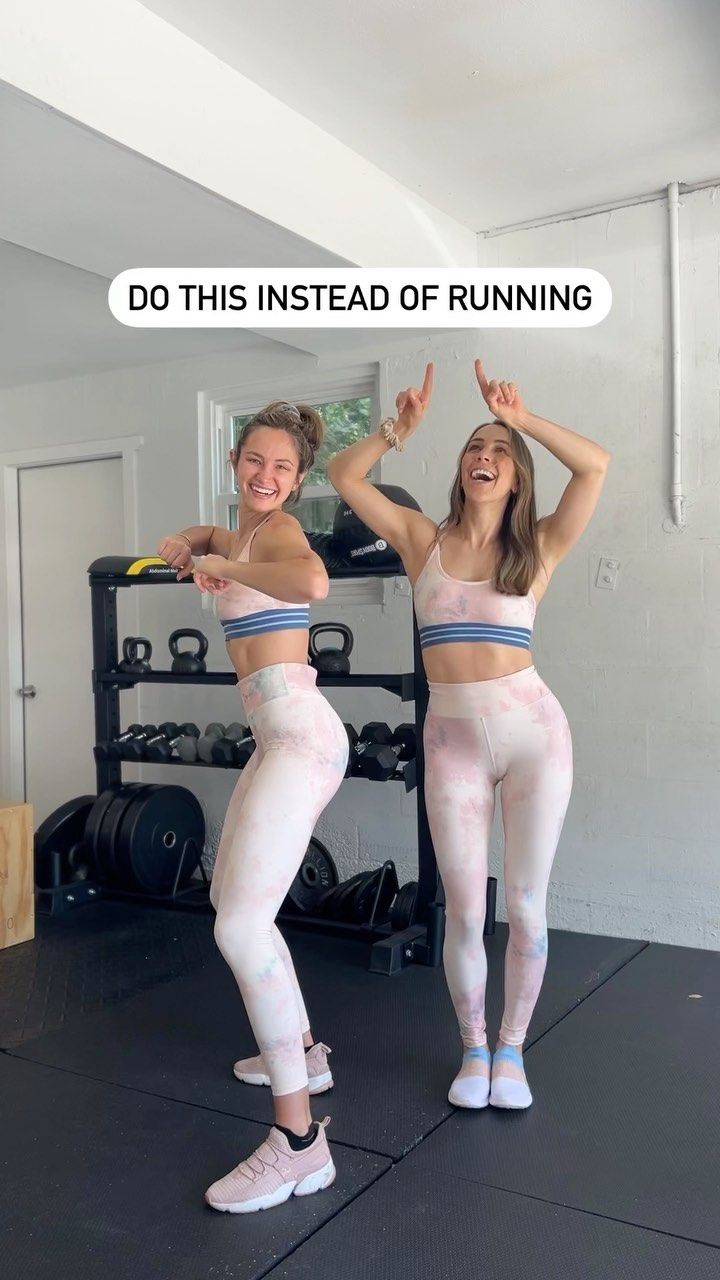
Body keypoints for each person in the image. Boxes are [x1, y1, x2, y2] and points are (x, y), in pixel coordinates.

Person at [327, 360, 610, 1110]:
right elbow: (343, 475)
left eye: (499, 450)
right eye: (474, 447)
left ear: (516, 474)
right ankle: (474, 1047)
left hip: (533, 737)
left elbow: (595, 464)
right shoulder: (423, 539)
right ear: (461, 471)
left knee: (524, 903)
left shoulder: (540, 546)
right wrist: (393, 430)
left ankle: (513, 1051)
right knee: (462, 907)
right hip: (450, 740)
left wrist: (522, 422)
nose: (484, 455)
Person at [157, 401, 348, 1211]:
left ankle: (300, 1143)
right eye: (254, 462)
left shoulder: (276, 539)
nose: (266, 477)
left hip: (303, 736)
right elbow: (204, 539)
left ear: (298, 481)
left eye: (282, 469)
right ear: (235, 460)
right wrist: (188, 543)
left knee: (240, 925)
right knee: (223, 901)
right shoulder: (236, 532)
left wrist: (224, 565)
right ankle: (300, 1052)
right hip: (278, 737)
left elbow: (310, 581)